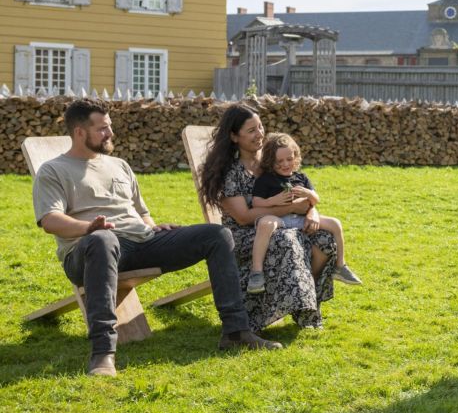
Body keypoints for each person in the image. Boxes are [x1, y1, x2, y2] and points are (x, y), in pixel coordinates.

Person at [33, 99, 280, 378]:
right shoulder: (53, 170)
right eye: (102, 129)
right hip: (87, 251)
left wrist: (153, 226)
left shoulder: (119, 165)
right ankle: (103, 353)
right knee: (103, 240)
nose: (110, 134)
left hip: (141, 241)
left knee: (217, 235)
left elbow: (140, 212)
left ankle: (236, 331)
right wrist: (89, 227)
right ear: (79, 132)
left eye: (110, 127)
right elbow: (50, 221)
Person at [198, 104, 337, 332]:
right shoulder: (228, 173)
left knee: (324, 238)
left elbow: (304, 191)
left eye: (261, 126)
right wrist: (294, 209)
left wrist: (312, 211)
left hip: (285, 224)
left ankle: (304, 297)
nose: (260, 133)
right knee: (288, 240)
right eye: (251, 130)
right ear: (234, 136)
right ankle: (303, 312)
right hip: (244, 236)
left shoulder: (273, 161)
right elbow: (243, 217)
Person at [248, 132, 362, 294]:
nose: (285, 164)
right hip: (280, 218)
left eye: (289, 159)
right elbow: (256, 202)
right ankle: (256, 272)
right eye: (279, 161)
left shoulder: (301, 177)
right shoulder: (266, 179)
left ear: (296, 156)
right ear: (270, 161)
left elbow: (316, 199)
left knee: (335, 223)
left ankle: (340, 266)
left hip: (301, 219)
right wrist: (274, 200)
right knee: (265, 223)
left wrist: (308, 194)